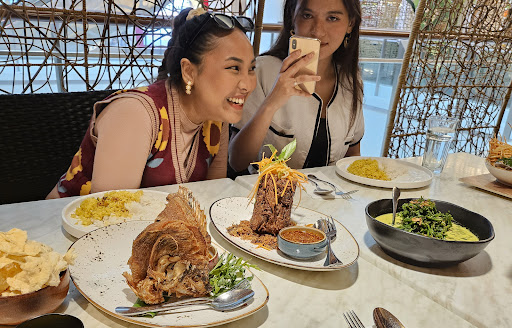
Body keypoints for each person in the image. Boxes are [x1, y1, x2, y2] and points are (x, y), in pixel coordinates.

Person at [47, 7, 257, 198]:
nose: (248, 84)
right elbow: (112, 213)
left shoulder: (216, 117)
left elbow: (212, 196)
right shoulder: (135, 114)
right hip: (63, 224)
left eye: (251, 69)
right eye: (233, 68)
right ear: (189, 71)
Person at [228, 0, 363, 172]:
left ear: (350, 23)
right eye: (307, 15)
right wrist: (272, 102)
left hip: (330, 189)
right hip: (268, 188)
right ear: (293, 17)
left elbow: (352, 154)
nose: (317, 31)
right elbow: (237, 161)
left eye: (332, 18)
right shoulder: (263, 71)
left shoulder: (351, 80)